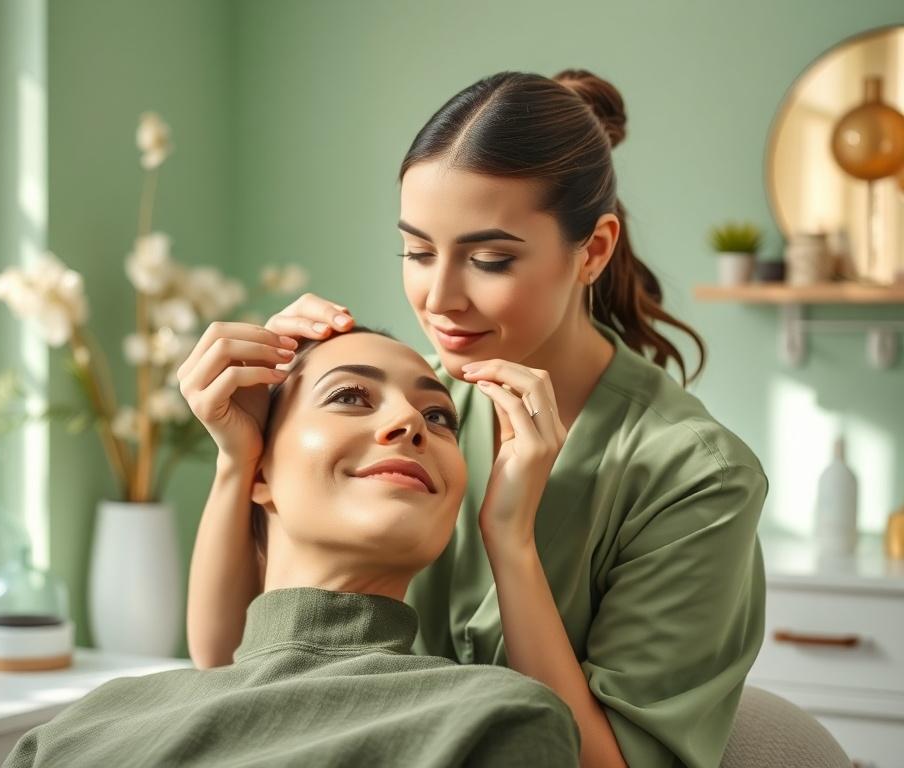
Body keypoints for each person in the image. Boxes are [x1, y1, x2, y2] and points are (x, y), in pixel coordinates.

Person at [186, 69, 769, 768]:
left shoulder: (697, 477)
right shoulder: (410, 404)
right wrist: (243, 453)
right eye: (417, 252)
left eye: (489, 260)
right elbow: (228, 661)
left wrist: (511, 543)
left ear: (594, 250)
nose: (439, 298)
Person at [3, 327, 580, 768]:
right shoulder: (73, 733)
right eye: (350, 396)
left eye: (438, 416)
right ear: (260, 471)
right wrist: (235, 459)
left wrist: (511, 534)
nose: (410, 422)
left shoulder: (494, 723)